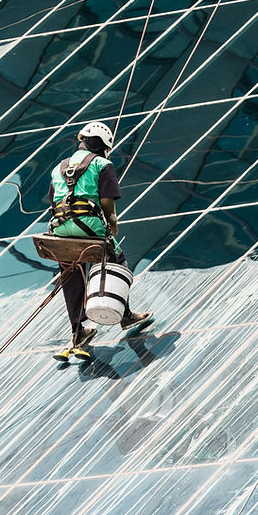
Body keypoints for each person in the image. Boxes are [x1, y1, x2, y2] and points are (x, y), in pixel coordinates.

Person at [48, 121, 152, 362]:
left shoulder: (58, 168)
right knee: (117, 263)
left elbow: (54, 204)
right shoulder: (102, 165)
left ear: (82, 140)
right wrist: (112, 225)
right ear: (104, 147)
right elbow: (107, 204)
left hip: (60, 230)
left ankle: (78, 331)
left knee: (70, 276)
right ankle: (125, 315)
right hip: (91, 229)